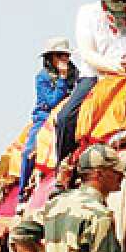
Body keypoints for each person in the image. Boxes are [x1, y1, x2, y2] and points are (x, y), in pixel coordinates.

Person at [55, 0, 126, 167]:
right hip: (96, 77)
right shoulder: (87, 13)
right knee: (65, 118)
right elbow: (88, 53)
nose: (123, 4)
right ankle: (63, 170)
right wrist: (118, 66)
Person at [18, 36, 77, 195]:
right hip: (44, 118)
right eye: (59, 55)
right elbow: (51, 101)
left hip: (70, 114)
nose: (64, 59)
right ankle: (22, 193)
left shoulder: (76, 73)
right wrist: (63, 80)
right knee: (29, 151)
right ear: (50, 57)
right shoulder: (42, 77)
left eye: (66, 55)